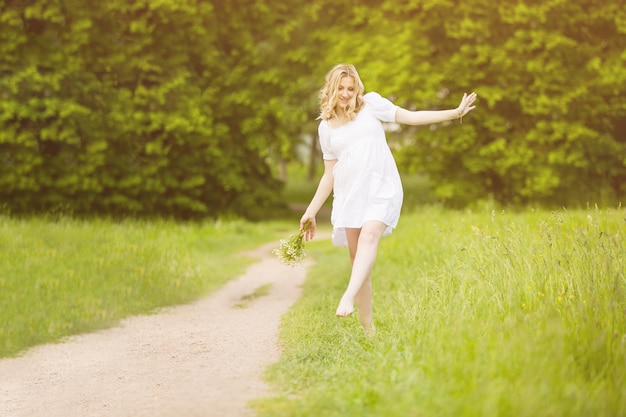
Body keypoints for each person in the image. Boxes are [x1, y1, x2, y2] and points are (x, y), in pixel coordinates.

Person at [299, 64, 477, 335]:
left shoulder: (371, 105)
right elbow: (329, 175)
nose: (346, 94)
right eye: (341, 88)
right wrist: (311, 211)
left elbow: (411, 117)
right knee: (360, 262)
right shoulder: (325, 128)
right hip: (351, 195)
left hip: (382, 187)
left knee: (370, 235)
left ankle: (347, 296)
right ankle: (368, 333)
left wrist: (455, 112)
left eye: (350, 88)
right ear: (331, 89)